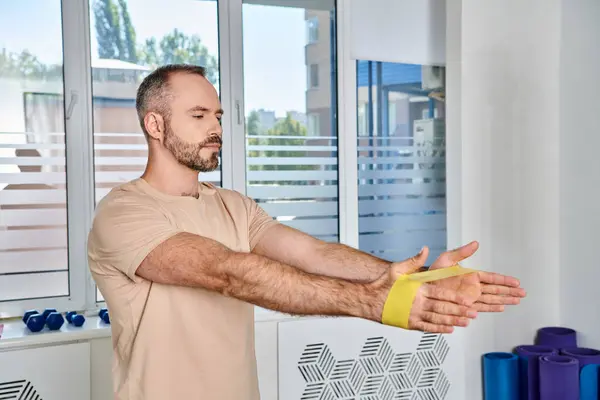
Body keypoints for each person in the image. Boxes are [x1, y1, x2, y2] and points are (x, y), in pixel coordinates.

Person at [87, 64, 526, 400]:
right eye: (199, 115)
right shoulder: (123, 212)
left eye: (217, 115)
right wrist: (372, 303)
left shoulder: (231, 205)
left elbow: (312, 254)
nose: (216, 128)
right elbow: (228, 273)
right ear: (156, 125)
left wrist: (416, 278)